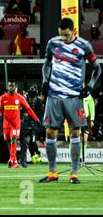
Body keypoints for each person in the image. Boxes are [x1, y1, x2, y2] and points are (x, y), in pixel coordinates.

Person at [39, 18, 102, 184]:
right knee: (50, 132)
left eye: (66, 35)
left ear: (73, 32)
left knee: (75, 133)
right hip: (54, 96)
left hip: (74, 97)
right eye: (61, 35)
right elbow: (46, 65)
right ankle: (52, 172)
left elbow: (97, 68)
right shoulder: (53, 43)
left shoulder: (84, 45)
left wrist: (90, 86)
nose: (64, 39)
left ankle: (74, 173)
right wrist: (45, 81)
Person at [0, 80, 40, 169]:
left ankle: (12, 159)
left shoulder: (20, 98)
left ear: (16, 87)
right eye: (9, 86)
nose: (10, 88)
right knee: (9, 142)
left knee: (13, 139)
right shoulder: (3, 98)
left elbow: (28, 109)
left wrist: (36, 119)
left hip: (15, 123)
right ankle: (14, 160)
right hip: (6, 124)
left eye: (12, 86)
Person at [20, 84, 44, 168]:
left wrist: (37, 122)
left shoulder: (38, 102)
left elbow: (39, 114)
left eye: (33, 93)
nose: (31, 95)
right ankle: (34, 155)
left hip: (35, 124)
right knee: (28, 141)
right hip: (27, 124)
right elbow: (24, 110)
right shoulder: (27, 100)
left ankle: (36, 155)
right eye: (30, 93)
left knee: (32, 140)